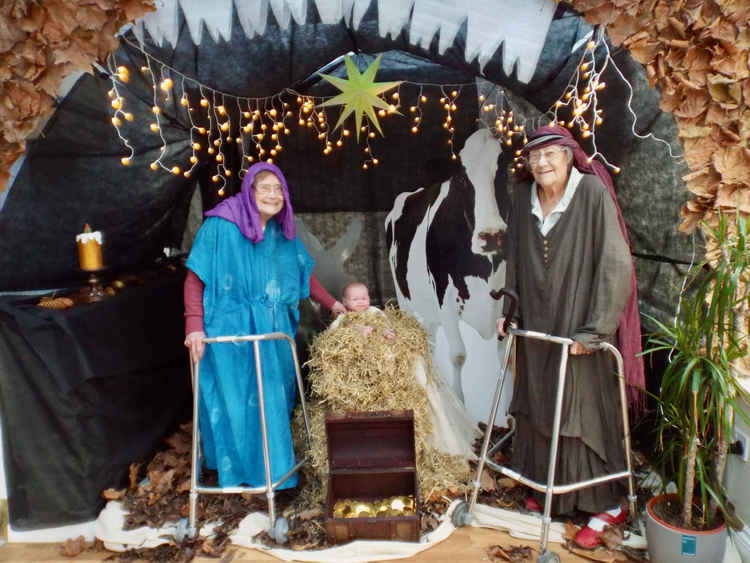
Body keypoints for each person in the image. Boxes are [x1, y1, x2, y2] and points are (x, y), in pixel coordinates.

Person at [497, 124, 644, 549]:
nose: (541, 163)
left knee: (582, 409)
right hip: (539, 323)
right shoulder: (523, 198)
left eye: (550, 154)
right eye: (534, 156)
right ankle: (552, 491)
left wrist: (595, 330)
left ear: (568, 156)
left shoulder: (593, 194)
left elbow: (616, 265)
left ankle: (605, 504)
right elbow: (514, 258)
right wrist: (511, 311)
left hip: (580, 324)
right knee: (542, 402)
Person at [183, 162, 346, 489]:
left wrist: (334, 304)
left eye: (279, 189)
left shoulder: (282, 232)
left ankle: (275, 477)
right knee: (234, 402)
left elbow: (304, 274)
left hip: (272, 336)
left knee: (272, 402)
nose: (273, 195)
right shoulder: (220, 226)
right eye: (265, 188)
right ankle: (240, 478)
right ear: (249, 191)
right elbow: (194, 278)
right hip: (229, 330)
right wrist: (194, 326)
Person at [329, 281, 394, 339]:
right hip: (357, 337)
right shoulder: (345, 314)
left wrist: (387, 327)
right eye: (355, 299)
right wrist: (331, 330)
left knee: (383, 329)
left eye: (364, 298)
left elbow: (383, 318)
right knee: (353, 329)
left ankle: (387, 335)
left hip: (375, 334)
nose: (360, 302)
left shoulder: (372, 310)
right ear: (344, 302)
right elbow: (335, 326)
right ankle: (363, 333)